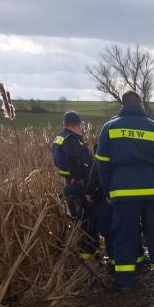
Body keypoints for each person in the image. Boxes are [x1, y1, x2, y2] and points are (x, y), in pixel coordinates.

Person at [95, 91, 154, 292]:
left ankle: (124, 282)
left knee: (125, 234)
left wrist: (108, 191)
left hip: (123, 191)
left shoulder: (109, 128)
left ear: (122, 105)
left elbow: (102, 165)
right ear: (141, 105)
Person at [51, 111, 97, 259]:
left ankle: (90, 251)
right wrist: (78, 178)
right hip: (77, 185)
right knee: (86, 219)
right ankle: (87, 253)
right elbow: (72, 159)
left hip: (69, 182)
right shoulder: (72, 139)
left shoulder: (61, 137)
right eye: (81, 124)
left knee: (80, 218)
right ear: (77, 124)